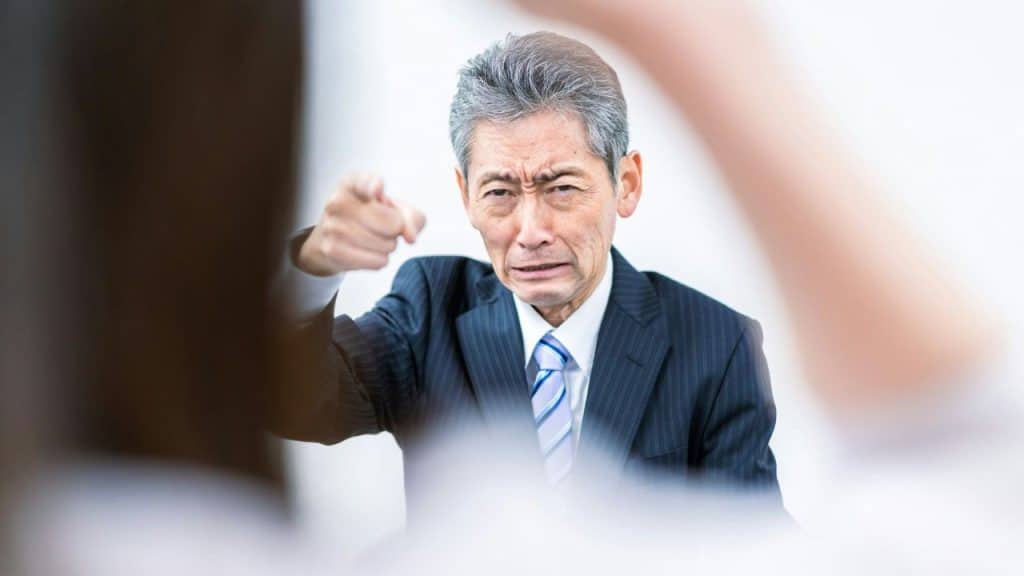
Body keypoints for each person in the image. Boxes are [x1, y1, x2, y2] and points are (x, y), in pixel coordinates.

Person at [278, 32, 781, 511]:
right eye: (500, 193)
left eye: (561, 188)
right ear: (466, 195)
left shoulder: (717, 344)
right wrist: (317, 265)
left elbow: (757, 549)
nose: (531, 231)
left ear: (625, 183)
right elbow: (291, 401)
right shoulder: (430, 310)